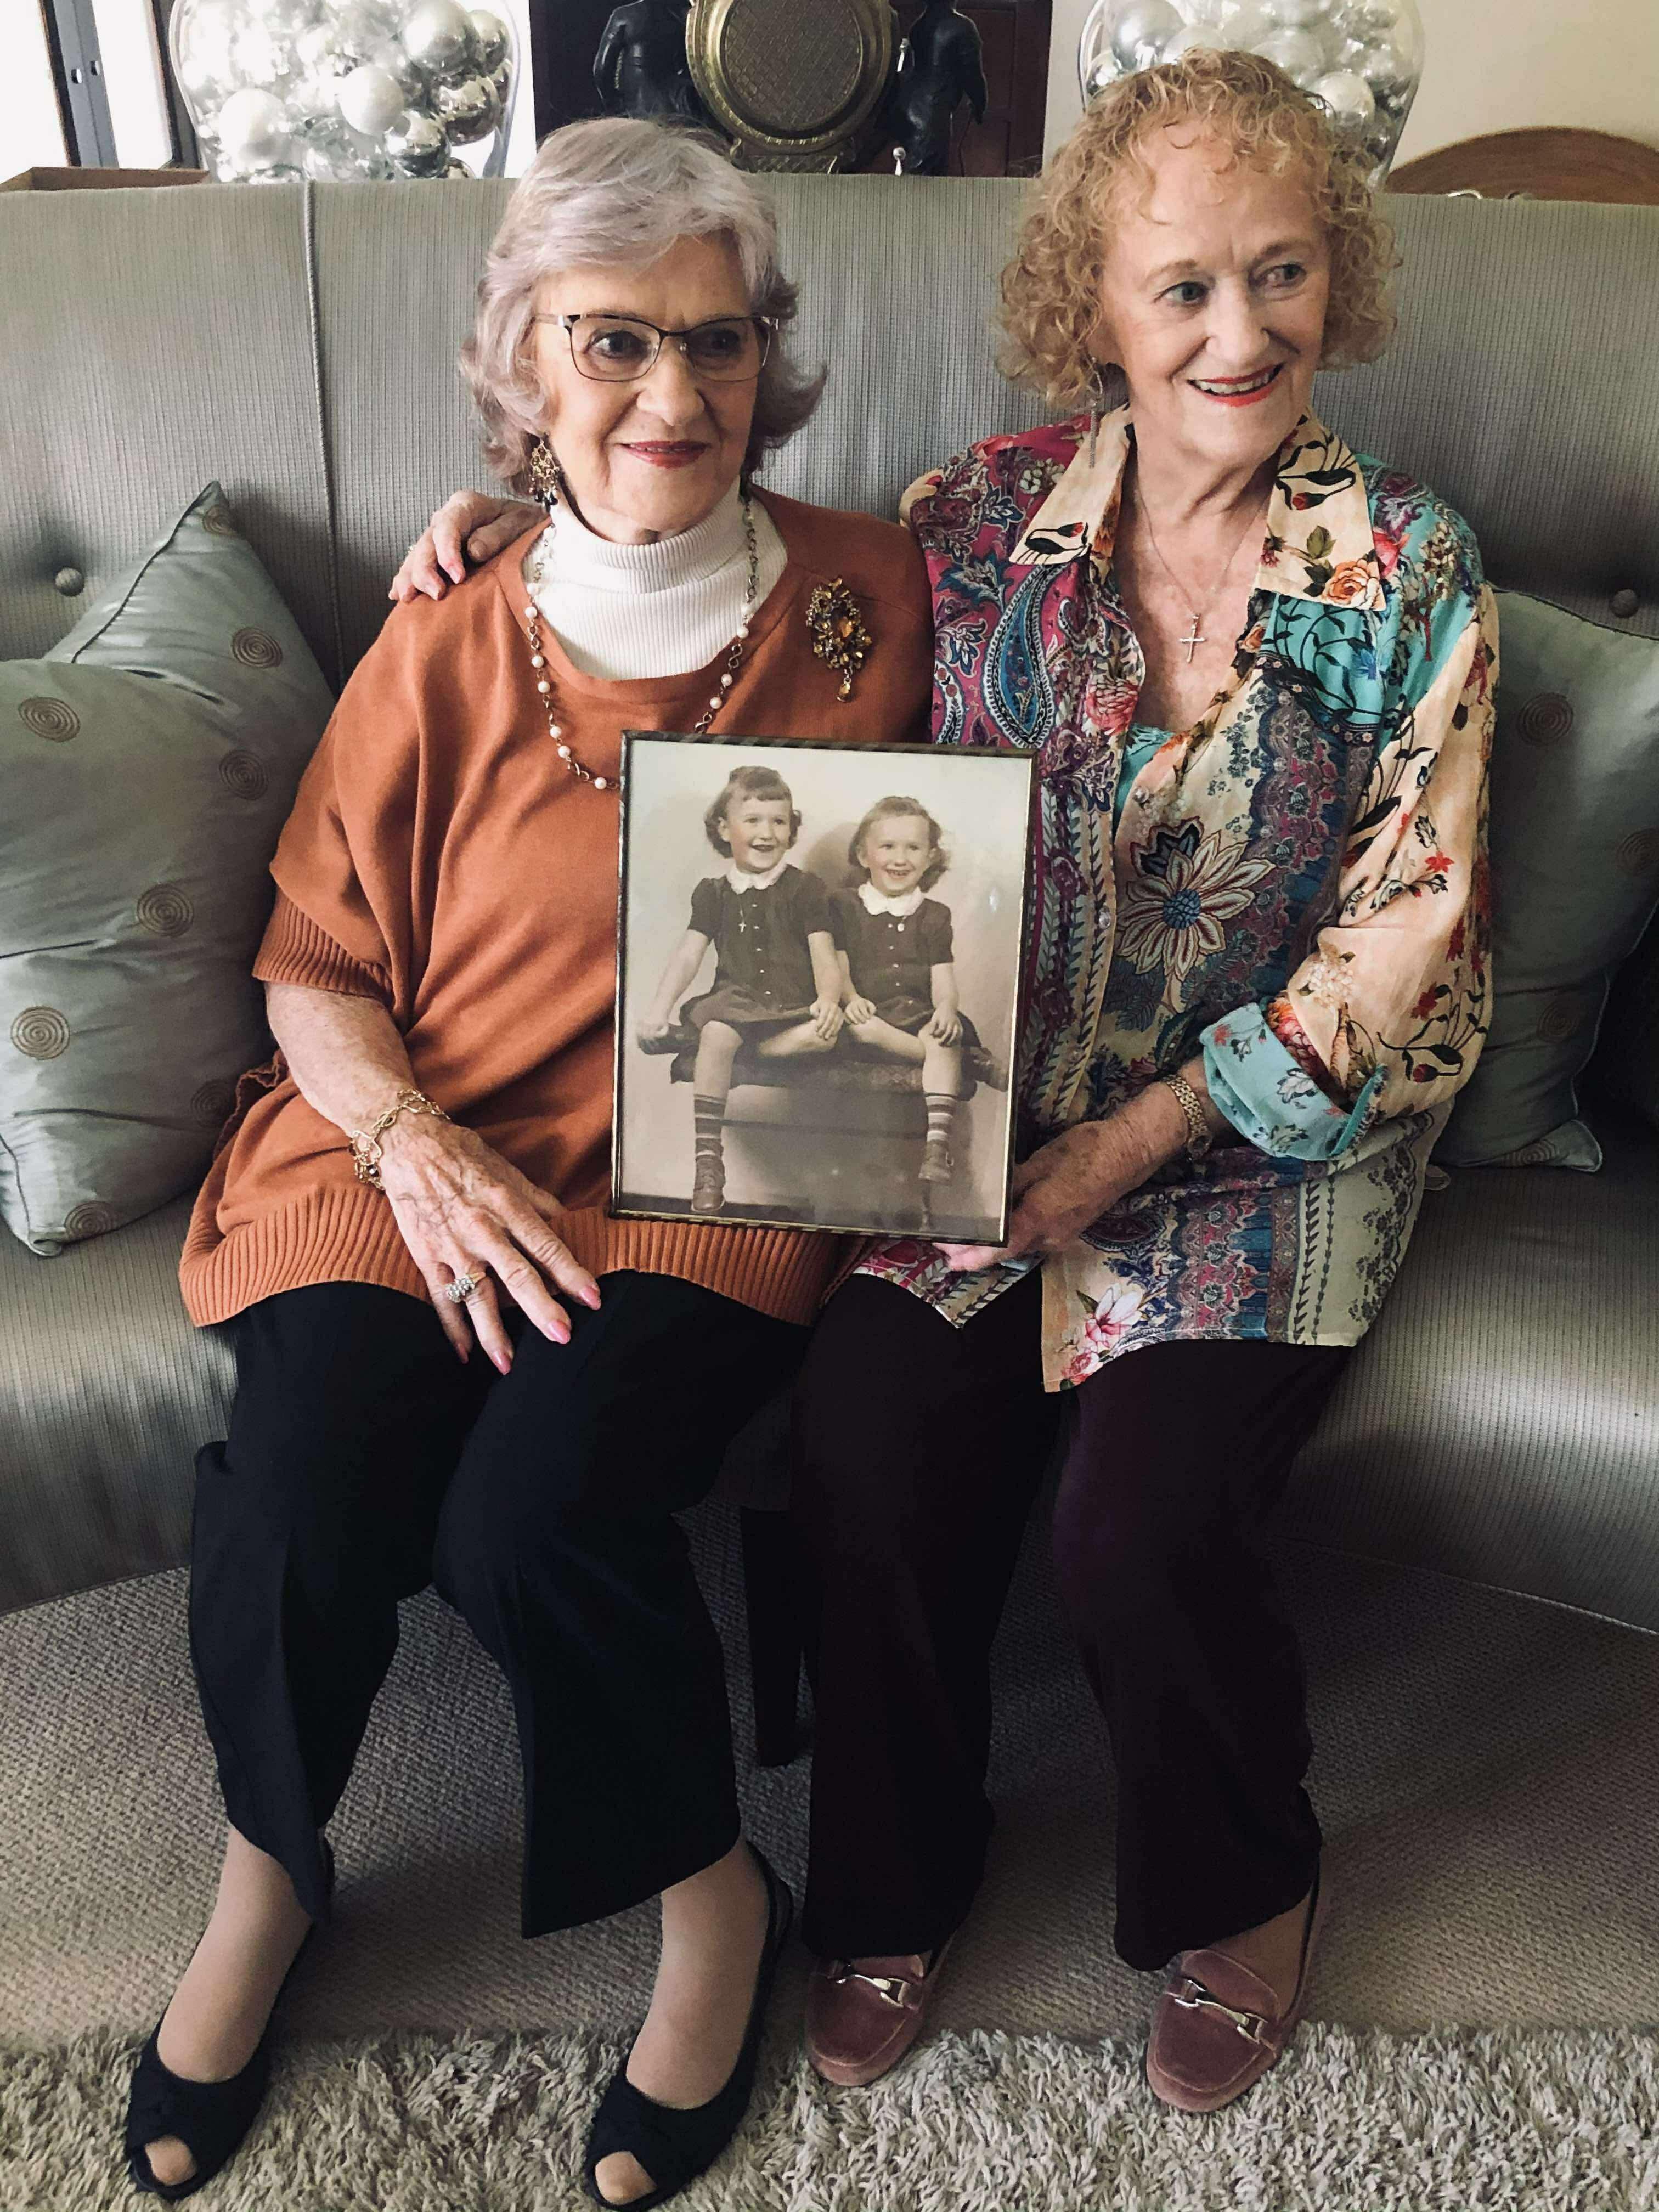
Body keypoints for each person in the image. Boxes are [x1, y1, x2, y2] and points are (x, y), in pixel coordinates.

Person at [394, 49, 1496, 2121]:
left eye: (1275, 278)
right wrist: (510, 529)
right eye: (1178, 288)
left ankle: (1242, 1875)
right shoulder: (968, 524)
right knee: (870, 1437)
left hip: (1257, 1140)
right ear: (1096, 300)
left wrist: (1137, 1142)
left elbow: (1392, 953)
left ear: (1331, 285)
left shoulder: (1406, 573)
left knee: (1135, 1519)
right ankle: (894, 1873)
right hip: (977, 1115)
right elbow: (745, 646)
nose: (1232, 335)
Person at [123, 117, 931, 2210]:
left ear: (767, 356)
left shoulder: (873, 596)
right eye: (613, 341)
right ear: (522, 360)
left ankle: (705, 1897)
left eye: (719, 339)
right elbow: (310, 961)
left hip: (711, 1164)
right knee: (296, 1485)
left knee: (530, 1512)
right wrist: (403, 1146)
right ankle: (266, 1865)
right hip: (409, 1136)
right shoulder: (450, 618)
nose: (674, 392)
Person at [639, 764, 844, 1214]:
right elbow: (688, 955)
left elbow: (824, 955)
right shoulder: (714, 893)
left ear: (792, 829)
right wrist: (659, 1007)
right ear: (723, 827)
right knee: (717, 1031)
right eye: (752, 820)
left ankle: (714, 1046)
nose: (766, 832)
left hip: (789, 1010)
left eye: (779, 820)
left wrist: (828, 1000)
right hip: (734, 1005)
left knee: (823, 1034)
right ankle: (708, 1160)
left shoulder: (806, 889)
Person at [831, 795, 975, 1184]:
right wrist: (851, 998)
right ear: (864, 855)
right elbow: (837, 964)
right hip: (869, 1013)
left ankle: (936, 1147)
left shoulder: (934, 914)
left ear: (930, 858)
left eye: (913, 848)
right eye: (888, 846)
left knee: (942, 1035)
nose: (900, 858)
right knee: (865, 1029)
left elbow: (943, 977)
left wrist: (945, 1008)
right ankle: (965, 1061)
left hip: (916, 1015)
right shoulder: (845, 905)